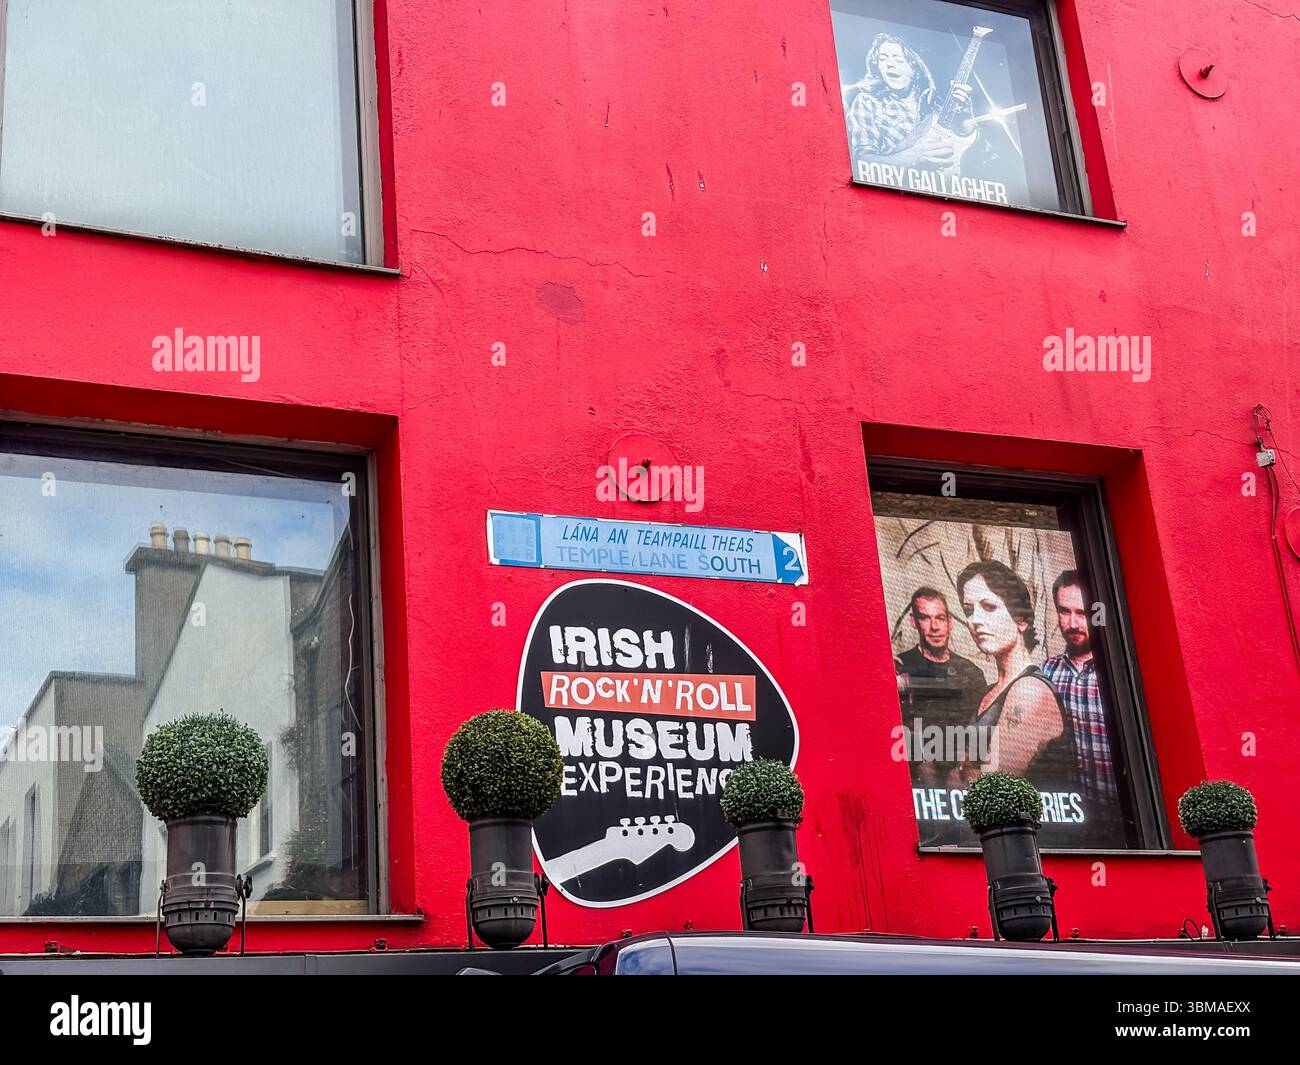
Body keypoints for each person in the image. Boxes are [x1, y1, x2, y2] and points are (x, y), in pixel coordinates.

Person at [955, 561, 1075, 788]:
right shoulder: (991, 691)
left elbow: (993, 790)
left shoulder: (1030, 689)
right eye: (969, 610)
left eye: (989, 607)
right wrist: (966, 772)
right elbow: (958, 774)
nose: (976, 621)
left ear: (1021, 620)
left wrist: (965, 771)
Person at [1042, 571, 1119, 822]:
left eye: (1082, 612)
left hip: (1125, 817)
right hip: (1077, 818)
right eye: (1064, 611)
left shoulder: (1118, 672)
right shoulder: (1047, 672)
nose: (1072, 623)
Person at [894, 587, 988, 789]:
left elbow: (983, 734)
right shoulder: (900, 667)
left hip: (963, 776)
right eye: (925, 618)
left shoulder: (971, 673)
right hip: (918, 783)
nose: (934, 627)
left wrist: (962, 769)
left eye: (940, 618)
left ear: (950, 623)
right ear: (914, 622)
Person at [842, 32, 975, 173]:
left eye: (898, 59)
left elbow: (967, 145)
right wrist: (913, 156)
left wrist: (966, 116)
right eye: (882, 59)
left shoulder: (935, 105)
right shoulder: (868, 102)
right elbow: (862, 161)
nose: (889, 65)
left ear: (916, 67)